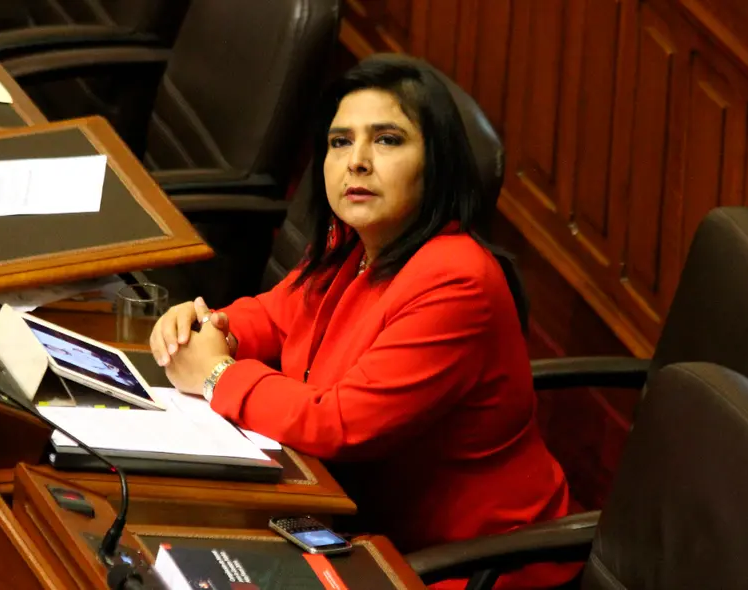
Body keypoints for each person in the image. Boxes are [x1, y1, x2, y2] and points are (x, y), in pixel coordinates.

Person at [149, 56, 576, 588]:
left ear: (435, 163)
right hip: (350, 515)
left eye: (388, 140)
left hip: (465, 564)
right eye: (339, 142)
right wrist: (208, 327)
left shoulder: (457, 281)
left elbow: (338, 424)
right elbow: (278, 316)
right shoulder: (355, 243)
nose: (357, 161)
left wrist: (215, 375)